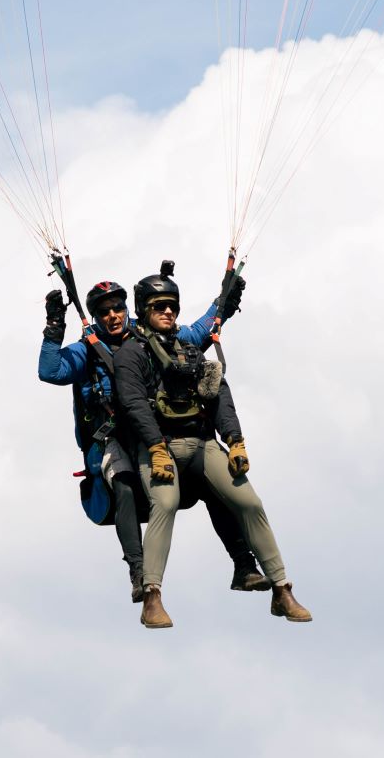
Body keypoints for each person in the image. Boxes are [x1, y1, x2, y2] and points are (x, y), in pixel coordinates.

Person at [39, 274, 267, 604]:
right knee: (124, 484)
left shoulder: (148, 334)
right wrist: (54, 327)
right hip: (114, 438)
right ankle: (139, 573)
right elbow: (50, 371)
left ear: (127, 309)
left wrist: (224, 302)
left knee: (211, 482)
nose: (113, 316)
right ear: (96, 317)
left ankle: (244, 565)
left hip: (158, 433)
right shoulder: (87, 350)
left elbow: (198, 333)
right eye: (104, 312)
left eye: (118, 308)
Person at [113, 269, 312, 629]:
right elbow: (133, 404)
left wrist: (235, 441)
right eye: (159, 306)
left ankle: (281, 589)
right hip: (158, 447)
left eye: (172, 306)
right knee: (165, 503)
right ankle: (152, 597)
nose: (168, 312)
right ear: (143, 310)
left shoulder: (188, 348)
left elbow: (219, 393)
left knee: (249, 502)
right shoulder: (131, 354)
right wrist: (155, 447)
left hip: (202, 443)